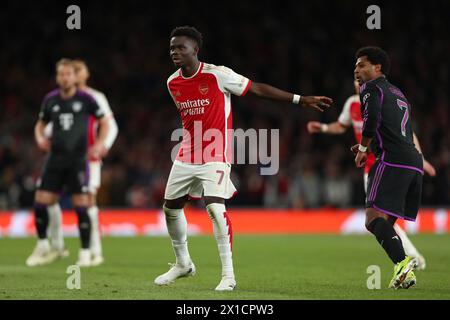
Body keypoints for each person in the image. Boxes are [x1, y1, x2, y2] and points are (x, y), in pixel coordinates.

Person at [155, 26, 333, 291]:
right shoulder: (173, 83)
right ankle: (183, 264)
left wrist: (299, 99)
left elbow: (256, 88)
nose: (175, 52)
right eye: (172, 48)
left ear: (195, 50)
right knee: (171, 208)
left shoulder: (218, 74)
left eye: (181, 47)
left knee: (215, 207)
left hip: (215, 153)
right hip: (186, 154)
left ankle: (228, 276)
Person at [306, 80, 436, 270]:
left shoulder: (380, 101)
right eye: (355, 78)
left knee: (379, 217)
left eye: (361, 77)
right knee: (382, 217)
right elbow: (341, 126)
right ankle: (410, 258)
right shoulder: (352, 104)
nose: (357, 82)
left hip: (388, 164)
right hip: (370, 168)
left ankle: (411, 258)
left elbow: (406, 131)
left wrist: (420, 157)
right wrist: (324, 128)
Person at [353, 46, 425, 289]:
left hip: (392, 161)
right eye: (356, 65)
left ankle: (403, 263)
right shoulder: (398, 92)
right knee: (386, 222)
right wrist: (369, 146)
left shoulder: (370, 88)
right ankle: (405, 271)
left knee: (372, 218)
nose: (357, 70)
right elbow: (397, 128)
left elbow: (372, 119)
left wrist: (364, 149)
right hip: (413, 162)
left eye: (362, 65)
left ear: (377, 67)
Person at [26, 58, 110, 267]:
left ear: (75, 77)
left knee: (83, 205)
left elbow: (106, 122)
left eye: (68, 74)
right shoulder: (51, 100)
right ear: (57, 77)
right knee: (41, 201)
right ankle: (47, 244)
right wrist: (39, 138)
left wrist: (100, 144)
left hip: (79, 161)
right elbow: (41, 123)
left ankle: (86, 252)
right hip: (54, 159)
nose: (64, 78)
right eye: (61, 74)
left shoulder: (88, 99)